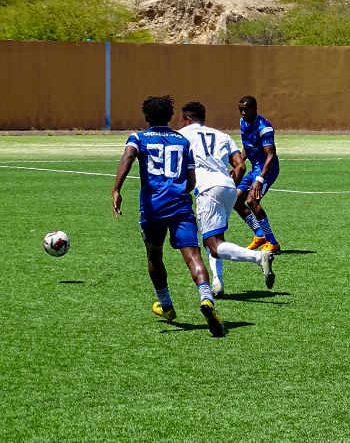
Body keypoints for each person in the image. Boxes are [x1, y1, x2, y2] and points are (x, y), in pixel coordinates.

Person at [112, 95, 225, 337]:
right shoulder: (183, 141)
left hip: (153, 208)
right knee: (193, 257)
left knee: (154, 254)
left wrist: (116, 189)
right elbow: (191, 181)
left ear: (146, 116)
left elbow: (128, 157)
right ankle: (206, 298)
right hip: (180, 206)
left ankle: (166, 306)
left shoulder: (138, 138)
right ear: (170, 116)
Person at [178, 102, 276, 297]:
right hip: (228, 188)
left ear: (187, 118)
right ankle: (218, 283)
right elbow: (240, 166)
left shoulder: (181, 135)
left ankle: (259, 257)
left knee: (214, 244)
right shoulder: (223, 136)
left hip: (207, 189)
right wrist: (231, 184)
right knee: (214, 238)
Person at [236, 96, 281, 254]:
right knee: (235, 199)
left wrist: (260, 180)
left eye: (246, 109)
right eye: (240, 109)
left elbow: (271, 155)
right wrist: (238, 164)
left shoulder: (264, 128)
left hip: (267, 170)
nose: (242, 112)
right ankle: (260, 235)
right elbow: (247, 146)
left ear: (255, 108)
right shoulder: (243, 122)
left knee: (252, 200)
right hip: (255, 168)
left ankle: (272, 242)